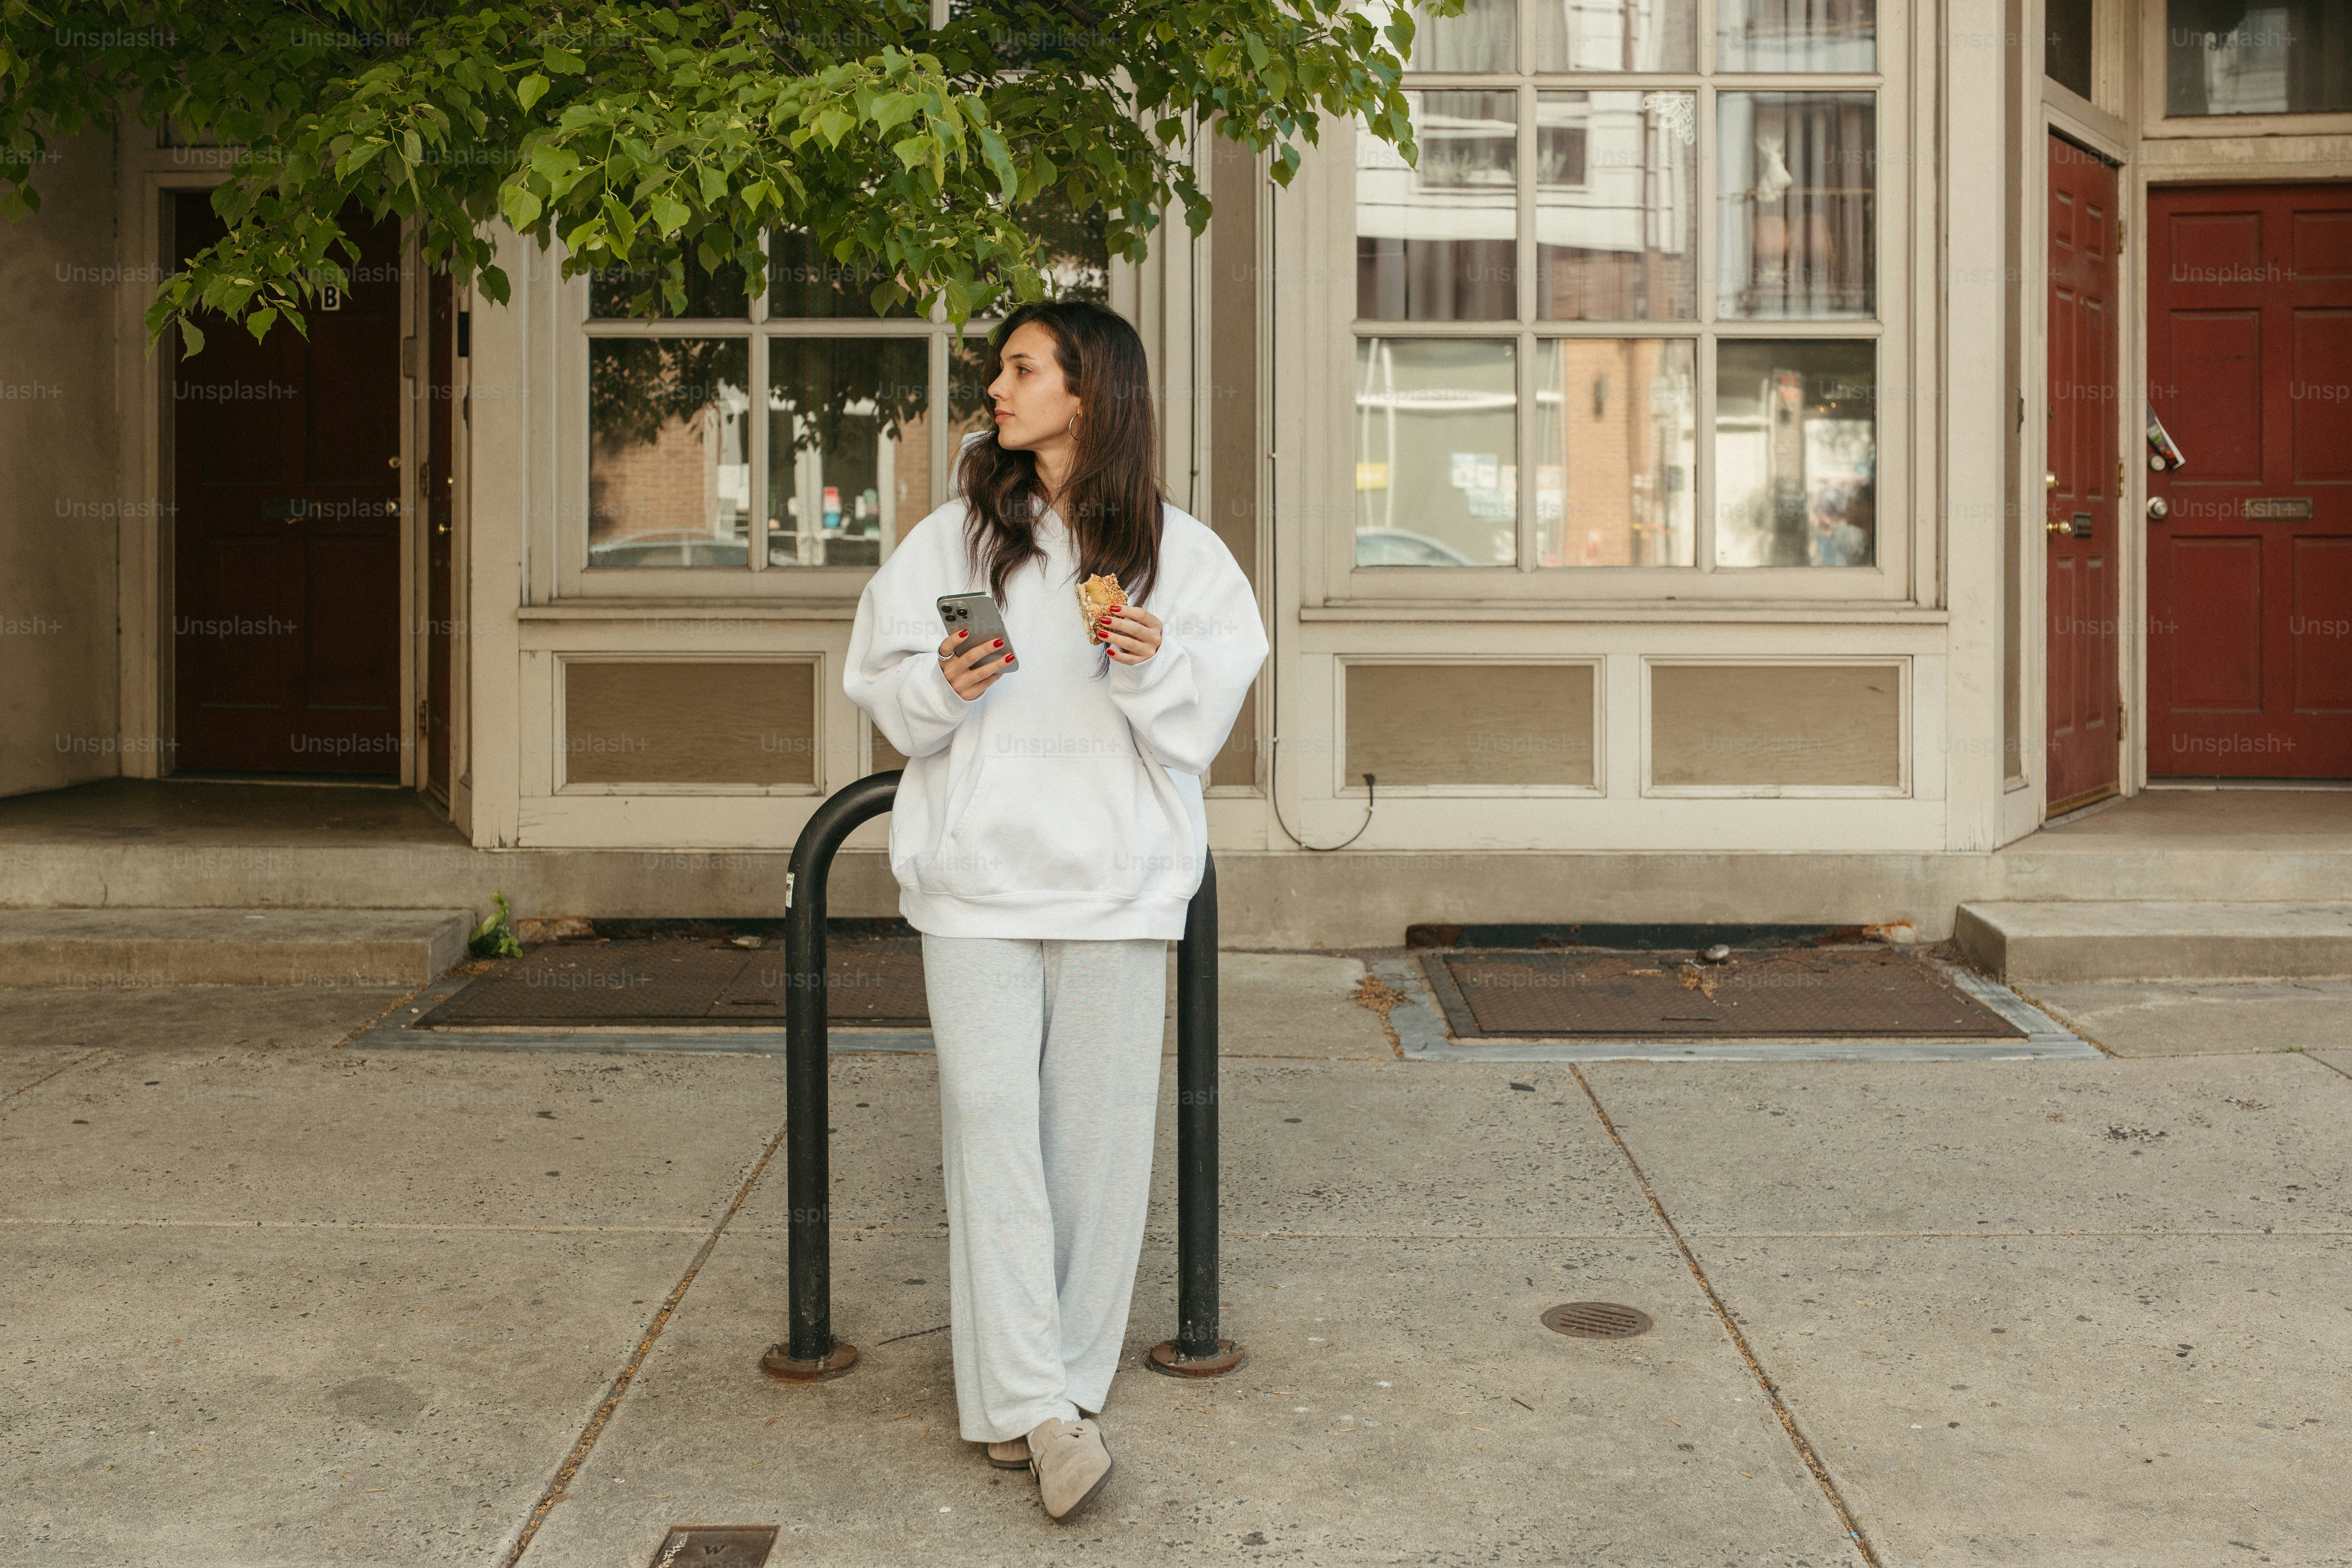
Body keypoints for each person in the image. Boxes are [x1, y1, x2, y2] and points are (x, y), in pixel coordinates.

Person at [844, 299, 1267, 1521]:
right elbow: (883, 681)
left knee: (1093, 1149)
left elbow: (1207, 723)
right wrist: (943, 681)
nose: (997, 387)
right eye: (1000, 369)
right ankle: (1039, 1405)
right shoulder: (956, 543)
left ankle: (1053, 1401)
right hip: (976, 880)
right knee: (992, 1132)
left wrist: (1147, 660)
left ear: (1088, 391)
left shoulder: (1183, 556)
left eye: (1023, 368)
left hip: (1119, 884)